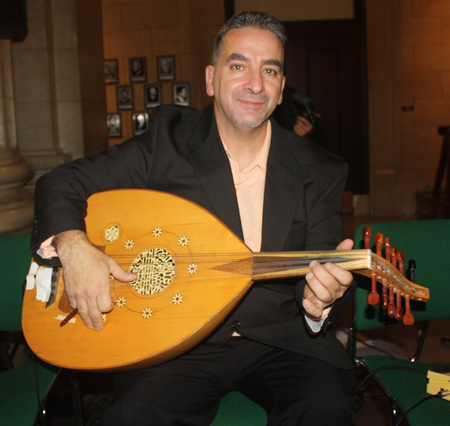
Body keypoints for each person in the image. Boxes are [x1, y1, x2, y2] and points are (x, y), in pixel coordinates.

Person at [32, 11, 356, 426]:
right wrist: (74, 245)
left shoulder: (320, 169)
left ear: (280, 90)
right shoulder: (167, 142)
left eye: (269, 71)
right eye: (239, 65)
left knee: (324, 407)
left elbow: (325, 278)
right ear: (211, 79)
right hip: (178, 339)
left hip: (282, 340)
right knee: (132, 416)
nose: (255, 84)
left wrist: (319, 302)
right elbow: (61, 181)